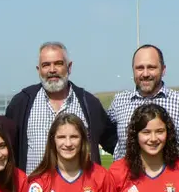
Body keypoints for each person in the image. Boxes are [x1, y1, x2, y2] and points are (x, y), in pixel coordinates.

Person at [6, 41, 116, 174]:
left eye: (58, 63)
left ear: (69, 67)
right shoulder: (21, 103)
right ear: (38, 70)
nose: (52, 70)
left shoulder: (89, 104)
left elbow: (114, 143)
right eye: (46, 65)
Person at [108, 44, 179, 160]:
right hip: (127, 177)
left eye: (151, 67)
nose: (145, 74)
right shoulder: (119, 102)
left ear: (163, 70)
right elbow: (105, 136)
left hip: (169, 177)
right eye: (140, 68)